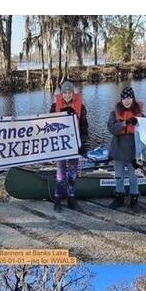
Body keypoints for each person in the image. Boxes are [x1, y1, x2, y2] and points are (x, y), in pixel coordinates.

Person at [49, 80, 89, 212]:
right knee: (60, 174)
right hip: (60, 146)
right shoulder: (54, 107)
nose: (67, 95)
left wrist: (83, 144)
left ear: (73, 93)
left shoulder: (81, 108)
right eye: (64, 92)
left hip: (74, 146)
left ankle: (71, 198)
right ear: (61, 94)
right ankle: (57, 199)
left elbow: (84, 127)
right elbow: (47, 126)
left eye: (69, 92)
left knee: (72, 174)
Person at [107, 86, 143, 211]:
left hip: (133, 151)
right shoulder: (114, 113)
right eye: (124, 98)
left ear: (133, 99)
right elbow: (112, 129)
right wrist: (125, 123)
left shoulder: (140, 115)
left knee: (134, 177)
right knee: (119, 176)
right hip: (118, 150)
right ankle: (119, 197)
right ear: (121, 100)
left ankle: (134, 200)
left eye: (129, 98)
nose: (126, 101)